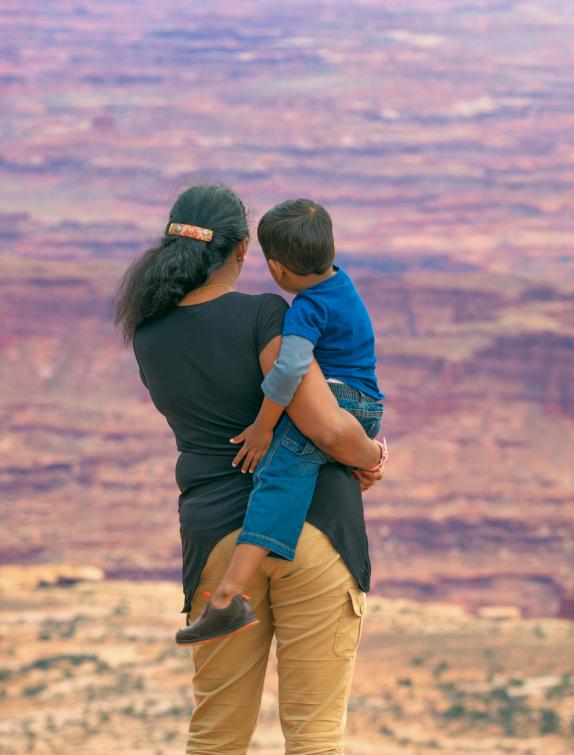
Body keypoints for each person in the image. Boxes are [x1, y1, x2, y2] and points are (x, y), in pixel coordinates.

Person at [114, 183, 384, 753]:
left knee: (216, 736)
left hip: (215, 536)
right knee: (314, 736)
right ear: (241, 252)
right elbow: (326, 426)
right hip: (315, 530)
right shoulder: (264, 314)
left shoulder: (147, 334)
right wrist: (371, 457)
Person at [177, 197, 387, 645]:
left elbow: (290, 370)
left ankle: (229, 594)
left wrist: (263, 426)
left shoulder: (308, 309)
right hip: (363, 402)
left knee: (277, 472)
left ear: (276, 268)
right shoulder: (340, 282)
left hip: (343, 400)